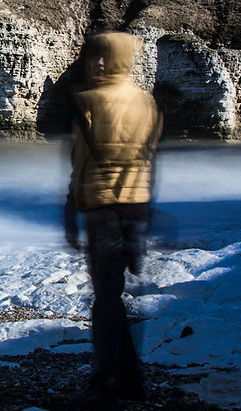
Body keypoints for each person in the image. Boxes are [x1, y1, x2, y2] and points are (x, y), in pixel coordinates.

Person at [65, 31, 162, 409]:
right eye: (94, 56)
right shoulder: (146, 101)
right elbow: (150, 157)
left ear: (120, 59)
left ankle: (105, 383)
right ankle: (131, 379)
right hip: (135, 207)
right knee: (112, 294)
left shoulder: (88, 101)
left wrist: (69, 208)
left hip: (104, 208)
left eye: (106, 57)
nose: (98, 63)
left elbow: (81, 162)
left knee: (105, 297)